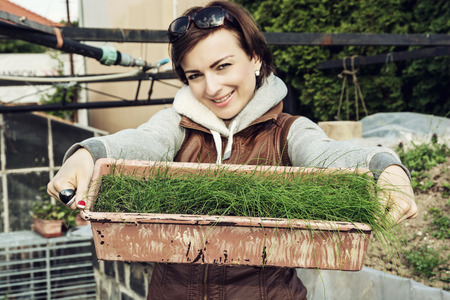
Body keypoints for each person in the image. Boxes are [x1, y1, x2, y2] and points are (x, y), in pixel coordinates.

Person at [47, 1, 418, 299]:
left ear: (255, 58)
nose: (211, 87)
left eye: (223, 66)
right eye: (194, 75)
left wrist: (385, 168)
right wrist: (88, 154)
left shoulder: (288, 132)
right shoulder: (175, 125)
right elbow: (139, 143)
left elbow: (328, 155)